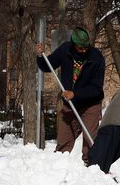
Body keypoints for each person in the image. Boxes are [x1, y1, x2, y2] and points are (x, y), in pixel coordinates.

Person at [36, 27, 105, 164]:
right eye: (81, 48)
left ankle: (91, 165)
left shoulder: (96, 57)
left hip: (90, 104)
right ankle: (60, 165)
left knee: (89, 138)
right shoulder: (65, 50)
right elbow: (47, 66)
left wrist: (75, 93)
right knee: (64, 139)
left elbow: (96, 89)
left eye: (86, 47)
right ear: (73, 45)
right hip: (70, 103)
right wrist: (40, 55)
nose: (84, 50)